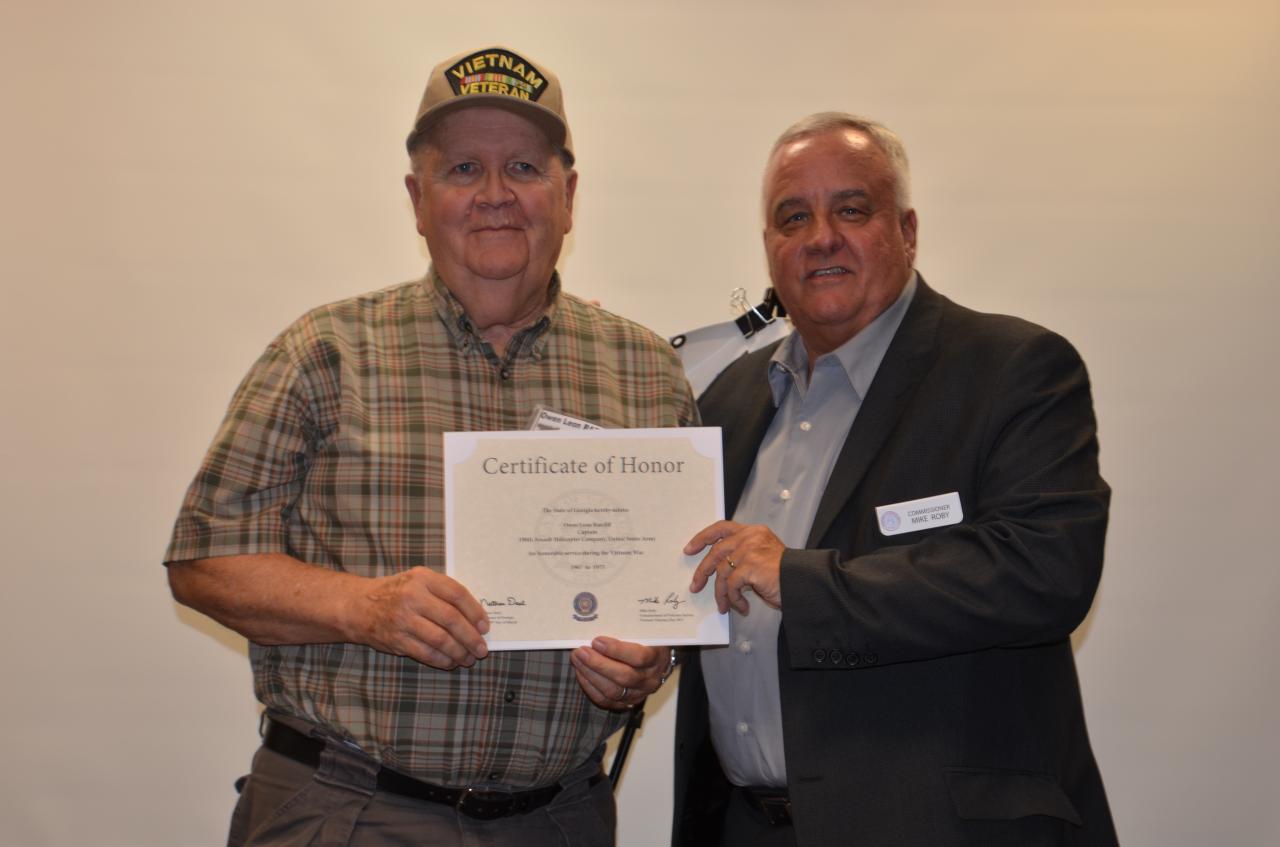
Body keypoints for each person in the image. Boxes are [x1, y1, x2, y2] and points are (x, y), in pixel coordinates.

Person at [165, 45, 692, 847]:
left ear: (568, 196)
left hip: (557, 821)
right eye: (463, 169)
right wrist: (364, 607)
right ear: (418, 199)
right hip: (349, 809)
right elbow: (202, 560)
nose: (495, 194)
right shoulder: (326, 352)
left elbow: (675, 592)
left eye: (523, 167)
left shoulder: (646, 372)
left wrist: (649, 661)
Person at [673, 113, 1118, 846]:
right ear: (769, 246)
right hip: (745, 826)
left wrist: (801, 581)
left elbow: (1046, 570)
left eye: (851, 209)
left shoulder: (1012, 370)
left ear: (907, 231)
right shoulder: (727, 399)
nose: (821, 237)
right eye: (793, 217)